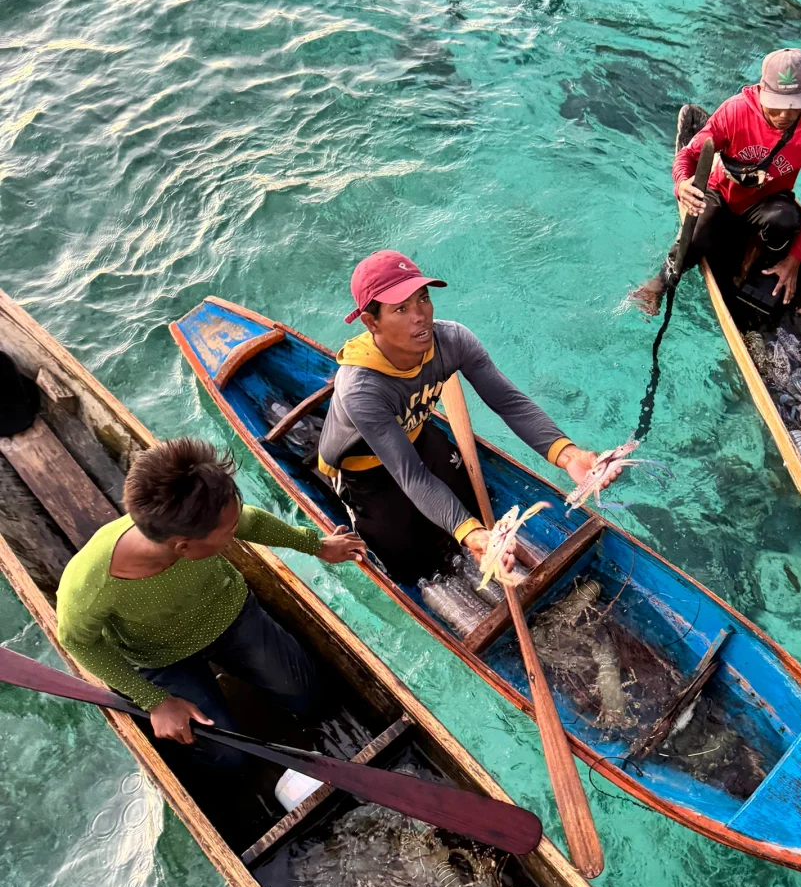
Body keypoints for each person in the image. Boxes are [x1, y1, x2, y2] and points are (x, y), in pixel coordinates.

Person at [317, 251, 621, 583]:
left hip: (416, 434)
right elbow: (412, 477)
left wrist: (568, 455)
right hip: (365, 471)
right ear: (372, 322)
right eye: (400, 309)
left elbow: (509, 402)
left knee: (473, 508)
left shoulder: (452, 341)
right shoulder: (362, 388)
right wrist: (473, 536)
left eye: (423, 299)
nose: (419, 316)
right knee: (411, 567)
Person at [56, 438, 364, 751]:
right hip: (160, 657)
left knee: (311, 700)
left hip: (228, 614)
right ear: (183, 547)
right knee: (228, 759)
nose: (236, 530)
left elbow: (251, 522)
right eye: (229, 532)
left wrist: (316, 545)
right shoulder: (92, 583)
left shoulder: (205, 517)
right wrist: (155, 702)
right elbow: (76, 641)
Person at [631, 48, 801, 314]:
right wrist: (681, 184)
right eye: (778, 103)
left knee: (787, 219)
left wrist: (795, 258)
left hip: (766, 201)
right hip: (722, 193)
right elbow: (688, 156)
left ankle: (756, 252)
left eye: (794, 105)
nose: (785, 114)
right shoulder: (735, 112)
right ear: (761, 90)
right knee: (694, 239)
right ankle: (659, 282)